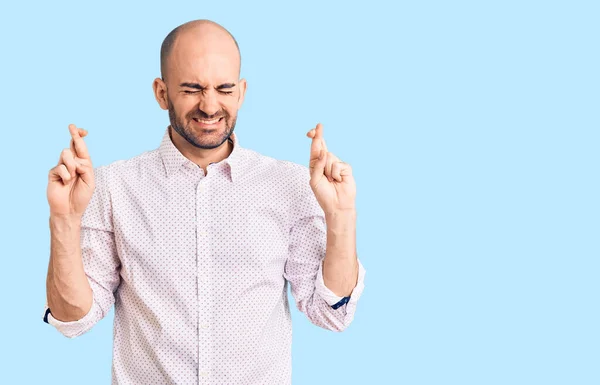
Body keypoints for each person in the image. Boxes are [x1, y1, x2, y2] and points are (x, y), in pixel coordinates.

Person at [43, 19, 366, 384]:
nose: (210, 106)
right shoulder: (113, 187)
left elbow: (331, 312)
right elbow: (72, 320)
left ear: (242, 92)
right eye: (192, 88)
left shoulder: (290, 185)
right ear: (161, 93)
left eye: (224, 89)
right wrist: (64, 218)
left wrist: (341, 215)